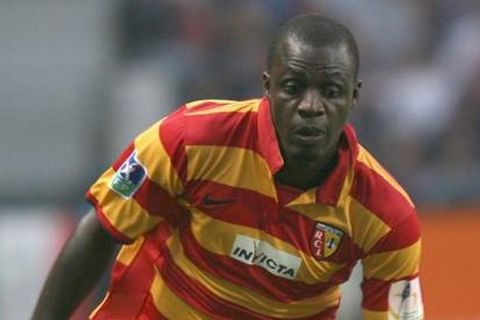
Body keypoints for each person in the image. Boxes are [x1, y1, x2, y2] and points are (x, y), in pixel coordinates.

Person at [32, 14, 424, 320]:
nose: (310, 106)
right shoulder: (189, 137)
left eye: (331, 91)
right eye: (293, 87)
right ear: (267, 86)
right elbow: (101, 227)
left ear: (354, 96)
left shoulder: (389, 215)